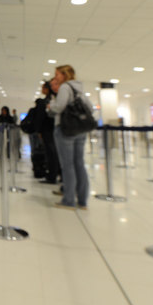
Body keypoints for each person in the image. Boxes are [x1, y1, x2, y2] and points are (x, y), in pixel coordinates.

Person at [48, 64, 91, 210]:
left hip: (66, 130)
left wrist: (51, 107)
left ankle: (69, 200)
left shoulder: (65, 87)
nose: (56, 77)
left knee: (67, 166)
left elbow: (59, 107)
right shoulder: (80, 88)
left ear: (64, 75)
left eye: (57, 74)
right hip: (81, 130)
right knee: (79, 164)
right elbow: (90, 108)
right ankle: (83, 201)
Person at [36, 81, 60, 184]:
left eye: (43, 88)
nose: (42, 90)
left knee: (51, 153)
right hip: (53, 130)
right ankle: (55, 174)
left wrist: (39, 130)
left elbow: (42, 118)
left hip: (48, 130)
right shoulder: (53, 100)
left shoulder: (47, 101)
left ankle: (52, 176)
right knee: (54, 153)